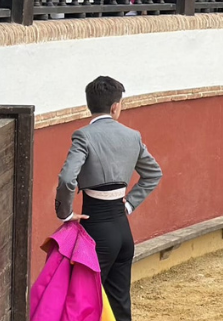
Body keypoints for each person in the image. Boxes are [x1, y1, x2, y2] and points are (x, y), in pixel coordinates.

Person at [56, 76, 162, 321]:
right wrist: (129, 203)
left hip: (96, 230)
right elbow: (153, 173)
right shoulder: (132, 136)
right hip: (123, 229)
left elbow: (66, 179)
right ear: (115, 106)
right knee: (119, 303)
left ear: (89, 104)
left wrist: (66, 213)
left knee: (82, 302)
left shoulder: (83, 136)